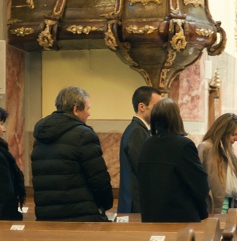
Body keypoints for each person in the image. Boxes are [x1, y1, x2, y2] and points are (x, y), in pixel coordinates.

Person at [31, 86, 113, 221]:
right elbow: (98, 178)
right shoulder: (84, 135)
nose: (89, 113)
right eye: (87, 108)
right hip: (81, 215)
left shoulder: (40, 136)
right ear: (76, 109)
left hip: (47, 215)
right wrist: (105, 204)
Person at [138, 98, 210, 222]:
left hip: (151, 217)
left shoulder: (146, 145)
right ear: (176, 118)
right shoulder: (183, 145)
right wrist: (202, 211)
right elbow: (200, 184)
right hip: (180, 218)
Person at [118, 85, 161, 213]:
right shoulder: (137, 131)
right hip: (135, 204)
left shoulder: (140, 129)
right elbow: (144, 168)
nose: (159, 112)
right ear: (142, 107)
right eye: (156, 107)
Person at [199, 113, 237, 214]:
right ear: (222, 132)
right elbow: (197, 180)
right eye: (233, 134)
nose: (236, 139)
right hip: (211, 210)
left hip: (229, 210)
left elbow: (231, 188)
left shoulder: (231, 155)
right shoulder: (205, 148)